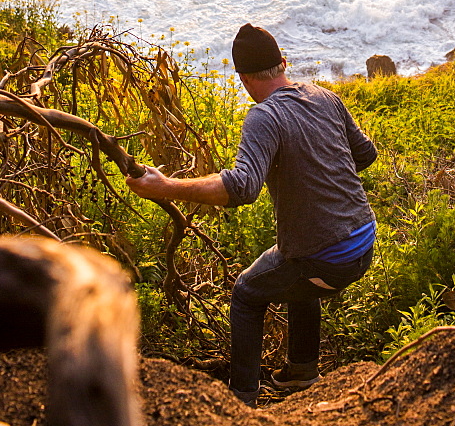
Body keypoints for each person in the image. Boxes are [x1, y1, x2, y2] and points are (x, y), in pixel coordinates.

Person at [126, 23, 377, 405]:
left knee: (246, 293)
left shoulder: (264, 116)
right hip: (364, 241)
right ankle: (302, 372)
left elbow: (242, 187)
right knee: (295, 275)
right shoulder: (325, 96)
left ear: (242, 78)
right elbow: (366, 155)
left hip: (326, 256)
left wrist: (166, 188)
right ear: (283, 63)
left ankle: (241, 400)